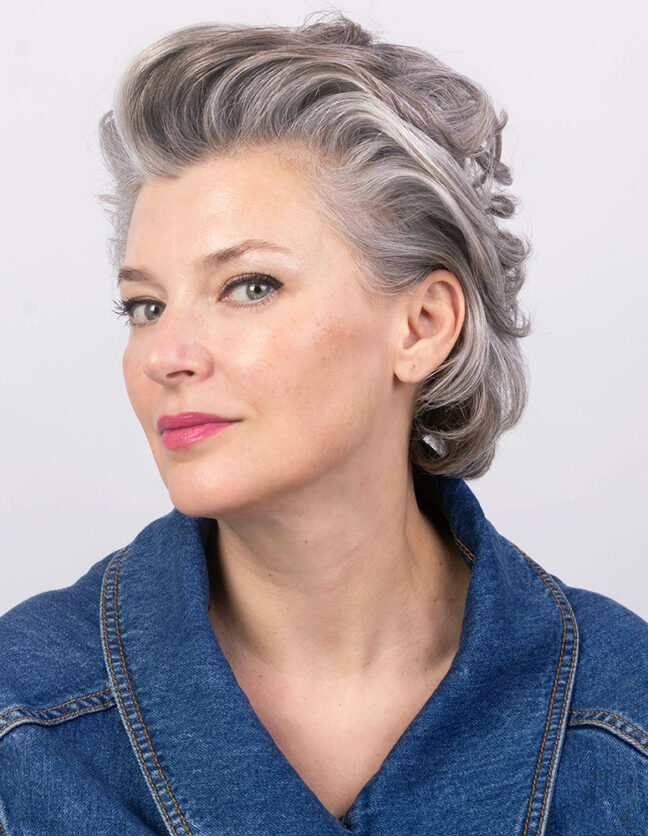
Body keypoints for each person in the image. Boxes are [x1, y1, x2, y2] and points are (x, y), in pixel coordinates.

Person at [0, 11, 646, 835]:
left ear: (422, 325)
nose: (165, 354)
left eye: (250, 286)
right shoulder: (24, 719)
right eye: (145, 305)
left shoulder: (623, 716)